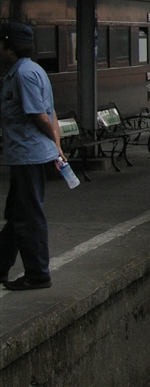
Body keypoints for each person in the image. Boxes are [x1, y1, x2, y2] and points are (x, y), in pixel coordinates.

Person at [0, 21, 66, 291]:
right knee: (17, 212)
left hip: (28, 154)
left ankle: (38, 274)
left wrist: (55, 145)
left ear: (9, 46)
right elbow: (52, 112)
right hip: (27, 154)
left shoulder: (23, 75)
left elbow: (40, 116)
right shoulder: (33, 70)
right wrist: (57, 145)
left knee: (28, 216)